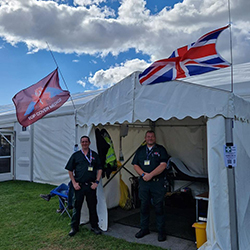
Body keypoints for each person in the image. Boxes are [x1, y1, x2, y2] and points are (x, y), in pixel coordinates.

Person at [132, 130, 170, 242]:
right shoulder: (140, 150)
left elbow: (163, 165)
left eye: (152, 136)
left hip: (157, 183)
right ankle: (144, 229)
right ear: (145, 138)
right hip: (144, 183)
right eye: (148, 136)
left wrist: (151, 175)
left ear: (155, 138)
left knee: (159, 207)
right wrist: (144, 175)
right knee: (144, 207)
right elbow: (135, 165)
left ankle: (161, 232)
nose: (150, 138)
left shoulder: (161, 149)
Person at [65, 135, 103, 237]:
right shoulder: (76, 155)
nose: (84, 143)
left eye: (86, 141)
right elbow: (70, 170)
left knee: (92, 206)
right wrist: (74, 183)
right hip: (79, 186)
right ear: (81, 143)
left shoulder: (94, 155)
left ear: (89, 143)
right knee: (77, 207)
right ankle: (74, 227)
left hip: (90, 186)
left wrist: (97, 182)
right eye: (83, 142)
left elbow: (99, 169)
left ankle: (94, 226)